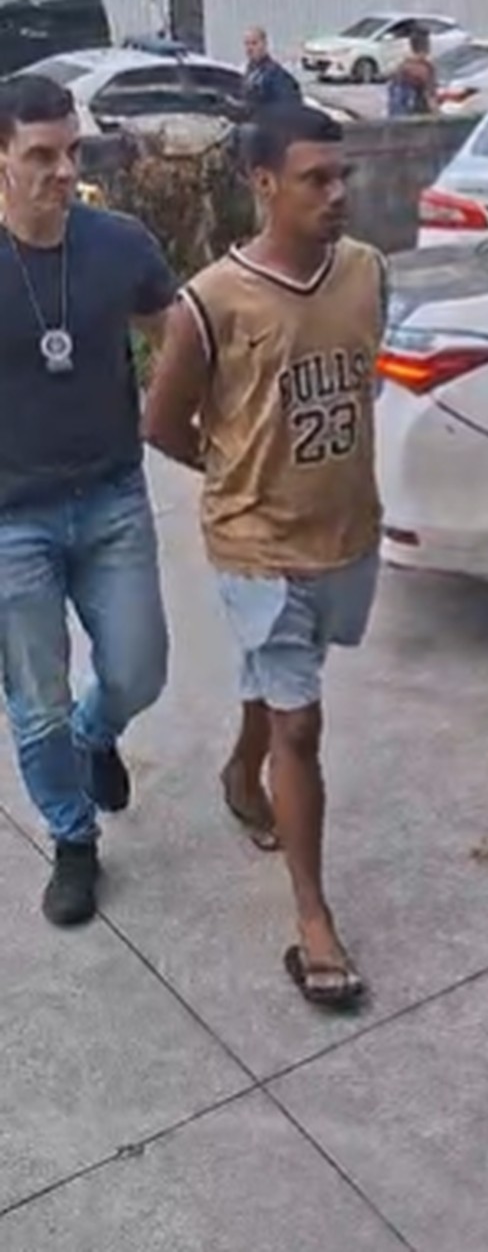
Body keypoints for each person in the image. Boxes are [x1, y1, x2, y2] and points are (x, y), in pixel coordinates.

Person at [143, 103, 386, 1008]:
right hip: (256, 542)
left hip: (346, 531)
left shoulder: (365, 271)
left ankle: (241, 773)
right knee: (302, 723)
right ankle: (314, 920)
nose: (337, 193)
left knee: (285, 683)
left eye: (342, 176)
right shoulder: (211, 301)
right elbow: (161, 423)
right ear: (264, 184)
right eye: (316, 179)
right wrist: (236, 473)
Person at [0, 74, 174, 926]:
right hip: (10, 521)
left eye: (72, 151)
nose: (64, 171)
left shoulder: (119, 244)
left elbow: (172, 334)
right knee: (38, 699)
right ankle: (73, 840)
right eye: (41, 154)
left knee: (140, 670)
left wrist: (182, 412)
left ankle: (97, 733)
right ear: (1, 158)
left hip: (112, 497)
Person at [243, 26, 302, 111]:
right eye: (246, 44)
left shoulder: (275, 74)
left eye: (254, 43)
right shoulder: (250, 70)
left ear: (264, 44)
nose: (249, 48)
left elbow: (287, 106)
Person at [386, 24, 438, 117]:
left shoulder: (401, 65)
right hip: (416, 115)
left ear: (411, 46)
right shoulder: (426, 68)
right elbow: (429, 95)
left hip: (398, 116)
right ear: (427, 47)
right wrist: (436, 114)